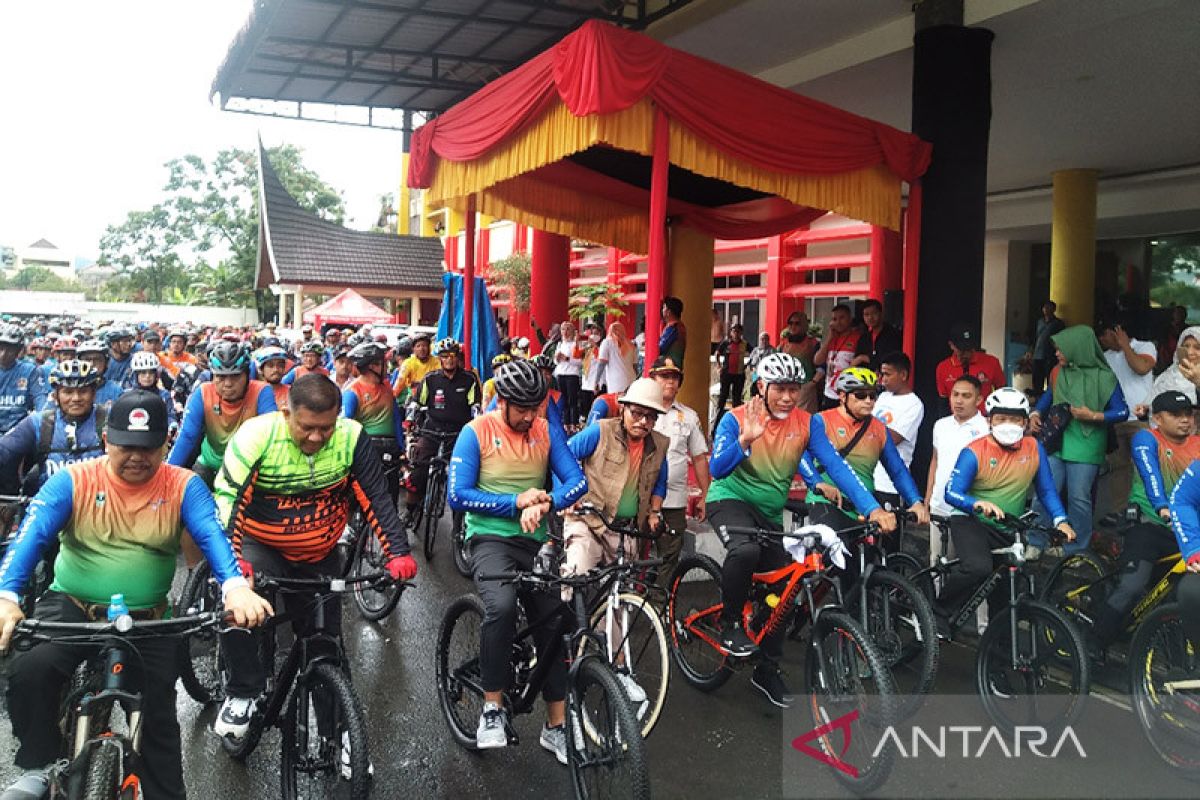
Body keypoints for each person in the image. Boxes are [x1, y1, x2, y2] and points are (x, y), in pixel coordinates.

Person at [0, 391, 271, 800]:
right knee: (29, 669)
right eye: (126, 445)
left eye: (149, 447)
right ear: (107, 439)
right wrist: (7, 595)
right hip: (72, 605)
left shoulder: (184, 486)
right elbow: (31, 537)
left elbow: (214, 538)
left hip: (148, 616)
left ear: (166, 442)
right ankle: (37, 764)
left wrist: (235, 589)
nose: (137, 457)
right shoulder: (72, 480)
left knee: (158, 715)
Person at [213, 374, 416, 742]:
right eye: (307, 427)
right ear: (285, 411)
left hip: (319, 554)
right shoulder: (257, 437)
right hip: (263, 546)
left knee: (326, 648)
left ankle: (337, 740)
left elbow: (376, 498)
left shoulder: (351, 438)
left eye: (326, 428)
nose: (317, 437)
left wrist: (397, 551)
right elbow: (229, 501)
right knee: (238, 608)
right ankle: (242, 690)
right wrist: (233, 562)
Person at [706, 353, 894, 706]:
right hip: (730, 500)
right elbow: (717, 470)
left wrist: (870, 507)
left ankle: (766, 668)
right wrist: (745, 441)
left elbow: (836, 467)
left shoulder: (808, 423)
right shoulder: (735, 419)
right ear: (761, 387)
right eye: (780, 389)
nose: (788, 397)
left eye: (794, 389)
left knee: (789, 590)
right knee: (745, 550)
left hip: (770, 512)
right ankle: (730, 622)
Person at [447, 359, 587, 762]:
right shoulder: (476, 432)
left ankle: (556, 727)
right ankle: (491, 708)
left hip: (533, 541)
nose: (530, 416)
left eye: (536, 407)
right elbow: (458, 494)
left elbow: (577, 480)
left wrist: (547, 501)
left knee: (554, 623)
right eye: (522, 408)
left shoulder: (543, 429)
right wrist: (515, 502)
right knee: (503, 607)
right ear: (502, 401)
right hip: (489, 538)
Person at [942, 388, 1074, 624]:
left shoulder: (1034, 448)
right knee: (978, 568)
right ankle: (937, 611)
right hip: (971, 522)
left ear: (1025, 422)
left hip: (1007, 526)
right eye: (1001, 418)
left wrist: (1060, 520)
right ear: (989, 420)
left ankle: (998, 653)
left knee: (1004, 596)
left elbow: (1046, 490)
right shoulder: (974, 451)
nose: (1008, 424)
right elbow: (951, 493)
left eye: (1015, 419)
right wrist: (977, 503)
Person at [1088, 390, 1200, 650]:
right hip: (1148, 525)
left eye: (1189, 414)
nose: (1185, 420)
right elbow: (1150, 475)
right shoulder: (1145, 439)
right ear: (1158, 419)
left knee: (1175, 596)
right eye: (1176, 415)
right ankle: (1093, 642)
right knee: (1133, 585)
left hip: (1184, 531)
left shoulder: (1197, 445)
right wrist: (1162, 506)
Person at [804, 368, 928, 556]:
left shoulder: (879, 429)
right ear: (842, 396)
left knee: (869, 566)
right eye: (861, 395)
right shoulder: (821, 421)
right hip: (826, 501)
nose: (868, 401)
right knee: (835, 556)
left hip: (862, 506)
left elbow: (898, 471)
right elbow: (800, 455)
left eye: (873, 395)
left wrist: (915, 501)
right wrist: (816, 482)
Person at [1029, 326, 1129, 557]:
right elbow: (1049, 396)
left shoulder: (1105, 377)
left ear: (1078, 349)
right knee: (1045, 491)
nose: (1056, 354)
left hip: (1088, 442)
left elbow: (1122, 412)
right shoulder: (1059, 372)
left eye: (1061, 350)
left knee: (1079, 498)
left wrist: (1094, 416)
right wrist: (1036, 413)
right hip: (1056, 440)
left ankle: (1075, 548)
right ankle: (1036, 541)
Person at [167, 342, 277, 488]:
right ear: (212, 376)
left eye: (235, 376)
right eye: (221, 376)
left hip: (247, 467)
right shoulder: (203, 392)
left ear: (247, 376)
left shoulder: (262, 392)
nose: (228, 384)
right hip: (209, 465)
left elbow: (273, 437)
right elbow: (187, 436)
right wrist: (166, 477)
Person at [0, 360, 106, 494]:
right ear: (56, 395)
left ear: (94, 394)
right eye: (68, 392)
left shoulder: (108, 419)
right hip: (50, 503)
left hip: (98, 501)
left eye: (83, 391)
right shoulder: (39, 422)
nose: (76, 398)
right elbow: (4, 450)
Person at [649, 356, 710, 588]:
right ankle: (630, 597)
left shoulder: (689, 416)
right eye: (664, 376)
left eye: (675, 377)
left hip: (673, 498)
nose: (670, 382)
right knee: (635, 551)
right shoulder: (637, 411)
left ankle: (658, 601)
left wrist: (706, 495)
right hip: (640, 495)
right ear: (652, 379)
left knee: (671, 553)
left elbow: (699, 458)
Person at [404, 338, 481, 521]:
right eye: (445, 356)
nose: (449, 360)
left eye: (453, 356)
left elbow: (476, 407)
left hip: (458, 435)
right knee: (418, 473)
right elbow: (417, 403)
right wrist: (409, 420)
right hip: (432, 431)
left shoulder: (469, 379)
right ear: (440, 359)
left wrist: (477, 426)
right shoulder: (431, 379)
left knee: (462, 477)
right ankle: (410, 509)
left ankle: (460, 520)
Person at [1097, 316, 1157, 520]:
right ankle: (1119, 511)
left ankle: (1148, 511)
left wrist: (1125, 345)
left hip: (1140, 419)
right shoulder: (1105, 357)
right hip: (1116, 420)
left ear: (1117, 331)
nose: (1102, 339)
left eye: (1104, 334)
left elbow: (1141, 368)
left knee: (1144, 468)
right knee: (1118, 468)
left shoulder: (1144, 347)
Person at [926, 375, 988, 563]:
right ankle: (935, 594)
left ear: (979, 400)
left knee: (965, 564)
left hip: (968, 509)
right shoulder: (940, 425)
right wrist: (928, 495)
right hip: (939, 505)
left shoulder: (986, 428)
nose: (959, 401)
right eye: (955, 394)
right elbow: (935, 460)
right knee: (937, 561)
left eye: (966, 396)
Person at [342, 341, 406, 508]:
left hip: (389, 448)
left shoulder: (386, 388)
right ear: (373, 366)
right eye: (383, 364)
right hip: (364, 447)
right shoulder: (352, 392)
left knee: (390, 497)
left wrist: (402, 449)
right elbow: (345, 425)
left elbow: (396, 419)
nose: (387, 368)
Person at [871, 353, 926, 510]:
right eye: (881, 374)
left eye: (888, 374)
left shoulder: (914, 404)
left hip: (890, 482)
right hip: (869, 476)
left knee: (888, 532)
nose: (883, 379)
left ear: (903, 375)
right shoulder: (882, 397)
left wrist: (868, 431)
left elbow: (892, 439)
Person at [935, 323, 1006, 415]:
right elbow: (943, 402)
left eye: (969, 349)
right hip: (955, 420)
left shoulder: (992, 362)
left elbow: (1002, 394)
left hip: (984, 418)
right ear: (951, 345)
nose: (967, 353)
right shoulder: (943, 367)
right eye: (962, 349)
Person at [0, 325, 47, 439]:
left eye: (9, 350)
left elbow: (41, 401)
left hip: (18, 432)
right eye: (0, 348)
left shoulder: (30, 371)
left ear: (19, 351)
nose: (3, 354)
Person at [813, 304, 858, 410]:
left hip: (846, 394)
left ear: (850, 319)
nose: (838, 322)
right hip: (828, 393)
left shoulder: (857, 337)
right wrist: (829, 338)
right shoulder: (831, 338)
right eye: (834, 319)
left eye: (842, 318)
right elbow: (817, 360)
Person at [1150, 325, 1200, 406]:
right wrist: (1145, 410)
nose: (1190, 352)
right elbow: (1153, 406)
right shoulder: (1168, 376)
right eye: (1186, 346)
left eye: (1198, 348)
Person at [129, 351, 178, 431]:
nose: (147, 376)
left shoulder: (164, 395)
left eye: (151, 372)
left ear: (156, 375)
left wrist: (172, 424)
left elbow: (170, 415)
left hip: (157, 434)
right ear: (136, 375)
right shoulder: (127, 396)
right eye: (143, 373)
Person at [851, 299, 902, 372]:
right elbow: (856, 361)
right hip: (866, 378)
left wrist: (865, 358)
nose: (870, 317)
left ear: (881, 313)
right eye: (866, 315)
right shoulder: (864, 338)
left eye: (874, 313)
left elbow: (891, 359)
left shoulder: (893, 334)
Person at [713, 323, 748, 427]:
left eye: (738, 331)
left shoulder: (745, 344)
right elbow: (717, 354)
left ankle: (736, 422)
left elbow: (754, 352)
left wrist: (747, 365)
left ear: (741, 333)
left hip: (739, 374)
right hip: (727, 374)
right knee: (723, 397)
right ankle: (717, 422)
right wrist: (719, 366)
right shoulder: (726, 343)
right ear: (731, 332)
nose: (736, 334)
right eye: (734, 331)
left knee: (737, 399)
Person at [76, 338, 124, 410]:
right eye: (87, 359)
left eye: (97, 359)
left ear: (106, 363)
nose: (91, 364)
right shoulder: (73, 389)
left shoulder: (116, 390)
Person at [1030, 301, 1065, 394]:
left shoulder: (1058, 323)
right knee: (1037, 379)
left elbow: (1061, 338)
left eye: (1049, 307)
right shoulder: (1039, 322)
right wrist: (1031, 351)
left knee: (1050, 378)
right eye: (1045, 307)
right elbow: (1034, 337)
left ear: (1054, 310)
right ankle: (1037, 396)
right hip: (1037, 354)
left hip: (1050, 355)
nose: (1046, 309)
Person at [553, 320, 583, 427]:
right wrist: (557, 358)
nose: (565, 332)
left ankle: (574, 422)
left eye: (568, 329)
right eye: (563, 329)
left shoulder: (576, 344)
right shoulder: (560, 344)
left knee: (572, 400)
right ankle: (566, 423)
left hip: (572, 374)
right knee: (563, 399)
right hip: (561, 374)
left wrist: (567, 358)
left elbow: (580, 362)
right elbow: (555, 362)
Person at [392, 331, 437, 401]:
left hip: (433, 399)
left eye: (424, 346)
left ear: (429, 347)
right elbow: (399, 382)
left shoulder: (436, 362)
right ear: (413, 349)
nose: (421, 349)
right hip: (414, 400)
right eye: (418, 346)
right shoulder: (408, 363)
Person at [597, 321, 637, 396]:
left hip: (615, 383)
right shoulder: (631, 345)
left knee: (616, 405)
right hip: (632, 382)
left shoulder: (607, 343)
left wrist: (596, 381)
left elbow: (601, 364)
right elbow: (635, 366)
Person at [578, 322, 605, 418]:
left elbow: (600, 358)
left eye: (597, 333)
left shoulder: (602, 348)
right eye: (592, 333)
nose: (594, 336)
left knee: (594, 409)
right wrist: (577, 342)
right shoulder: (588, 349)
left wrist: (595, 346)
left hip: (597, 383)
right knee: (585, 408)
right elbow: (576, 354)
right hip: (586, 382)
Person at [659, 296, 687, 366]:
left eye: (664, 307)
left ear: (669, 312)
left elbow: (660, 349)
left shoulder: (673, 329)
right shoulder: (679, 326)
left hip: (669, 370)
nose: (662, 310)